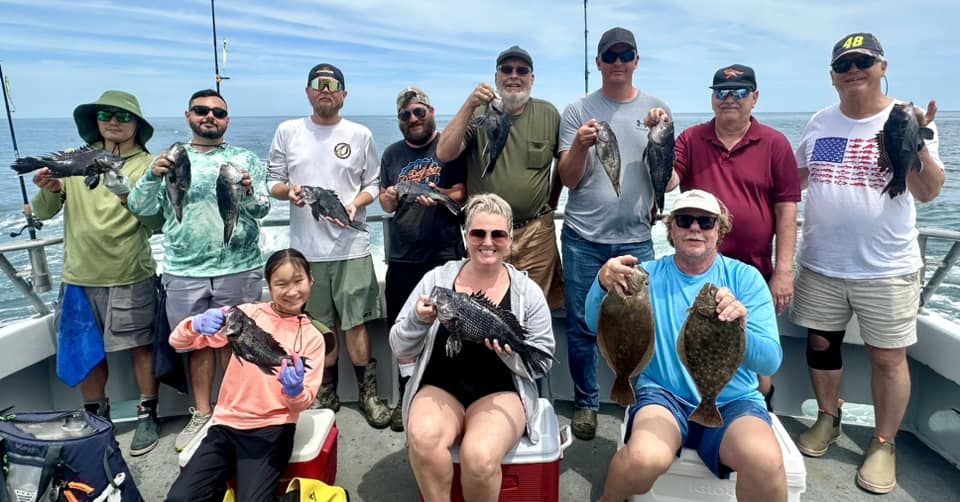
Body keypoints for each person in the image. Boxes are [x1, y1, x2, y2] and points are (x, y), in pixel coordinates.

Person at [791, 32, 945, 494]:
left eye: (863, 61)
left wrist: (916, 143)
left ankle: (883, 442)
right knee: (821, 346)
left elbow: (929, 191)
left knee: (888, 358)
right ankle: (828, 416)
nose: (853, 70)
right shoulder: (820, 123)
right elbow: (795, 180)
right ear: (832, 76)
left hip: (887, 266)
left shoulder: (907, 119)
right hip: (820, 261)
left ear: (882, 67)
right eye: (844, 64)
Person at [586, 189, 785, 502]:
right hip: (664, 395)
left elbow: (770, 361)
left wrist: (740, 329)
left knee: (767, 464)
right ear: (671, 228)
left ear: (720, 229)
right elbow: (593, 323)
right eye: (684, 220)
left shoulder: (745, 279)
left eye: (706, 222)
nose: (695, 228)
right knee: (641, 459)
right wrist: (601, 283)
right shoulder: (645, 276)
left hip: (732, 401)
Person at [127, 89, 271, 451]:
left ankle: (236, 411)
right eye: (201, 110)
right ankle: (203, 412)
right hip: (184, 271)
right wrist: (151, 176)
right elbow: (139, 207)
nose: (210, 116)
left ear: (227, 121)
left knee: (238, 342)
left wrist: (249, 192)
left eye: (218, 113)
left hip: (239, 267)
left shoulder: (244, 159)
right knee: (197, 344)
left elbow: (263, 208)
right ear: (188, 115)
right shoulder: (168, 159)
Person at [389, 193, 555, 502]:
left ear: (509, 239)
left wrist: (510, 355)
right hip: (440, 386)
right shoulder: (436, 280)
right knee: (423, 438)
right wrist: (418, 320)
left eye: (498, 234)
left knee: (479, 456)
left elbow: (542, 361)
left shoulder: (527, 292)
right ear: (466, 236)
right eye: (478, 233)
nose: (487, 242)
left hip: (501, 390)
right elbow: (399, 346)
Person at [656, 64, 800, 410]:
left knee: (756, 357)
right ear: (712, 98)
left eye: (739, 92)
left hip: (752, 271)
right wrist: (659, 137)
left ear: (755, 97)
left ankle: (757, 409)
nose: (730, 99)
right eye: (721, 92)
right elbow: (668, 181)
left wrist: (783, 271)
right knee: (699, 345)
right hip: (698, 270)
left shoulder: (776, 144)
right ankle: (696, 406)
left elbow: (787, 209)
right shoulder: (691, 139)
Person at [31, 90, 162, 456]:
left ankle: (147, 413)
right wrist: (47, 190)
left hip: (130, 271)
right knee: (85, 350)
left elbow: (157, 221)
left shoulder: (148, 166)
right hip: (78, 276)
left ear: (137, 124)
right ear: (95, 121)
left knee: (141, 347)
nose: (113, 122)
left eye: (123, 116)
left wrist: (126, 195)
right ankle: (96, 417)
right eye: (105, 115)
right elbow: (43, 212)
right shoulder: (73, 160)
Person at [556, 26, 670, 440]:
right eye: (610, 56)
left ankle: (645, 401)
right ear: (599, 62)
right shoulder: (577, 111)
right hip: (583, 239)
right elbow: (569, 179)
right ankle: (586, 402)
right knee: (582, 327)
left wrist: (662, 132)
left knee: (643, 325)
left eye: (625, 55)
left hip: (637, 239)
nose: (618, 62)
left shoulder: (658, 110)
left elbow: (666, 174)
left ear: (636, 61)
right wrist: (580, 146)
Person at [267, 63, 391, 428]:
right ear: (308, 91)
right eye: (318, 84)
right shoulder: (288, 131)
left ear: (344, 95)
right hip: (306, 253)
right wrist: (288, 192)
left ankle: (368, 395)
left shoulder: (360, 134)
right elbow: (273, 181)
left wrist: (355, 204)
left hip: (352, 248)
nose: (325, 89)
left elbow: (373, 184)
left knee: (356, 324)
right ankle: (326, 393)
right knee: (319, 327)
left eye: (333, 85)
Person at [165, 249, 326, 502]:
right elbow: (178, 342)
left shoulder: (313, 338)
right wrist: (195, 324)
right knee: (179, 499)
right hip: (225, 424)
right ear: (269, 286)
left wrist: (294, 391)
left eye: (298, 281)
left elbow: (303, 402)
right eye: (281, 284)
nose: (292, 291)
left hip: (274, 428)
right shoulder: (247, 313)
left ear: (311, 280)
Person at [436, 45, 564, 311]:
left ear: (532, 78)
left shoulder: (549, 114)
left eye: (522, 70)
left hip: (536, 235)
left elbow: (562, 165)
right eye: (506, 70)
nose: (514, 75)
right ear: (496, 77)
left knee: (533, 309)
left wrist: (551, 202)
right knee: (488, 309)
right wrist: (469, 104)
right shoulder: (478, 113)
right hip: (487, 236)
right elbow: (444, 152)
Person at [379, 86, 466, 432]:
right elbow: (386, 203)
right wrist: (389, 197)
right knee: (403, 329)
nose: (413, 118)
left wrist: (438, 194)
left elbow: (461, 193)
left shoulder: (450, 146)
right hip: (403, 257)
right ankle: (408, 395)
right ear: (399, 120)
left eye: (418, 112)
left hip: (444, 255)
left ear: (430, 112)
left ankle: (450, 395)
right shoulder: (391, 154)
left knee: (448, 328)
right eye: (405, 115)